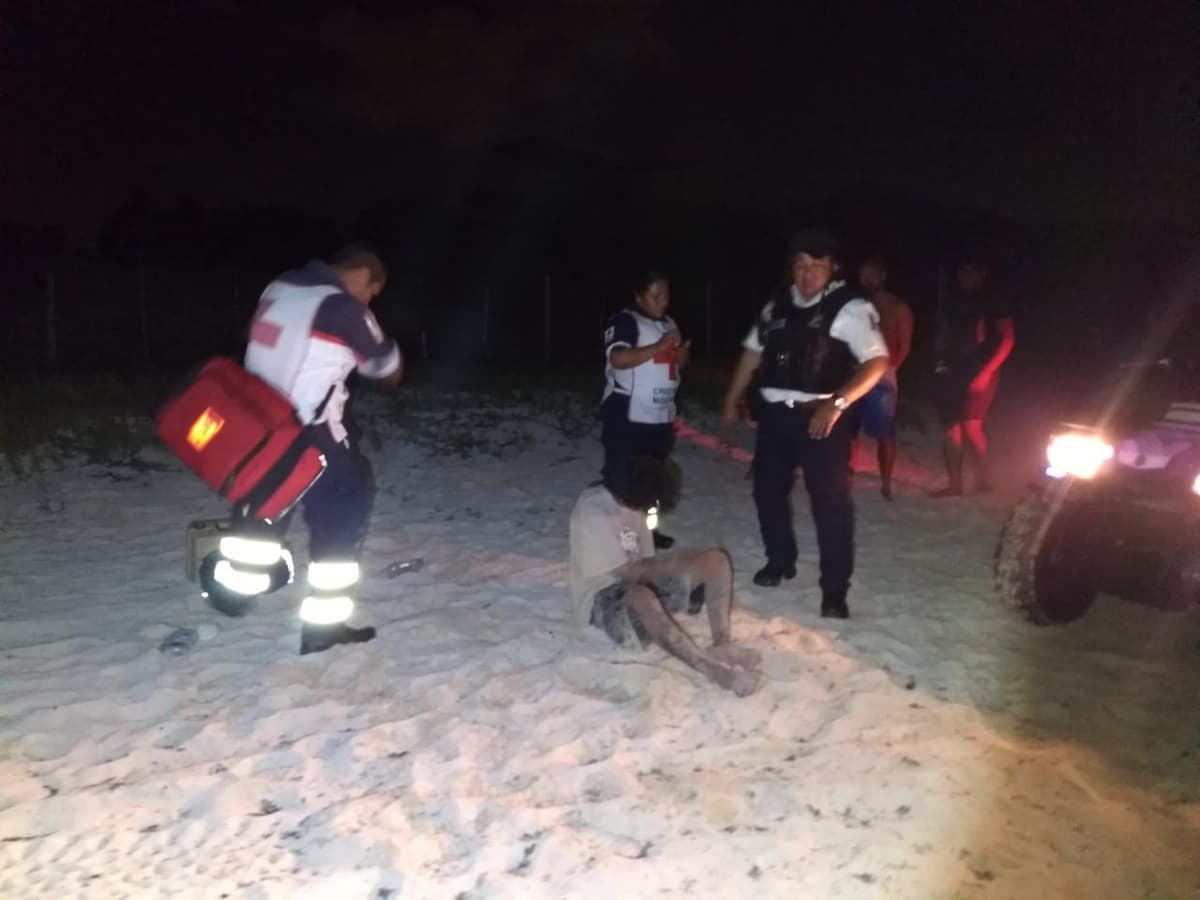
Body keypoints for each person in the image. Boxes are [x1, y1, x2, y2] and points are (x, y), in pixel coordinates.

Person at [205, 245, 403, 655]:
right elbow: (385, 367)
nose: (369, 300)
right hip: (309, 429)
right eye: (372, 292)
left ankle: (231, 590)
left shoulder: (280, 287)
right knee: (347, 503)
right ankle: (323, 627)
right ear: (366, 276)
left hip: (257, 422)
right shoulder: (343, 309)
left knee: (268, 503)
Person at [721, 228, 889, 619]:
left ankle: (834, 590)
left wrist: (838, 403)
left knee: (830, 504)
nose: (807, 274)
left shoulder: (849, 308)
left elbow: (877, 362)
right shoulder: (775, 305)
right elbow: (751, 352)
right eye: (800, 265)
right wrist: (731, 400)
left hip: (823, 419)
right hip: (776, 417)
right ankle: (780, 560)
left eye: (817, 266)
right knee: (767, 491)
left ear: (833, 268)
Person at [569, 453, 763, 696]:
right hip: (602, 600)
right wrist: (677, 565)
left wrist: (687, 567)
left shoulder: (637, 495)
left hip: (640, 581)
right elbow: (626, 572)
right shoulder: (593, 510)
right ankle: (712, 670)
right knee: (642, 595)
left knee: (716, 560)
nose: (643, 509)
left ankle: (722, 643)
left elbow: (647, 559)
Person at [600, 268, 690, 549]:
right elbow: (618, 359)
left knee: (655, 481)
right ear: (639, 296)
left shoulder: (669, 324)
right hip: (627, 416)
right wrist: (658, 346)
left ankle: (649, 531)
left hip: (660, 417)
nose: (662, 300)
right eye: (655, 295)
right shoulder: (626, 321)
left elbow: (673, 367)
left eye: (665, 294)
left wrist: (681, 357)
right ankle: (618, 533)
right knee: (622, 478)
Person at [932, 253, 1015, 496]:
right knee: (950, 426)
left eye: (970, 272)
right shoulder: (953, 299)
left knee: (972, 426)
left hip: (980, 370)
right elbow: (945, 332)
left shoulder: (994, 301)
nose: (965, 277)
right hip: (952, 370)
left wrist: (986, 373)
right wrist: (939, 361)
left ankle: (983, 480)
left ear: (981, 274)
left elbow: (1008, 340)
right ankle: (954, 485)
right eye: (961, 272)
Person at [854, 255, 914, 500]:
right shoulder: (858, 306)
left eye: (871, 274)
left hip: (883, 375)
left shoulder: (898, 307)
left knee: (884, 434)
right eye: (863, 274)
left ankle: (886, 484)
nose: (867, 279)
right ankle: (843, 474)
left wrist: (890, 371)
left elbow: (905, 345)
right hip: (856, 372)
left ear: (882, 275)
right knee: (847, 426)